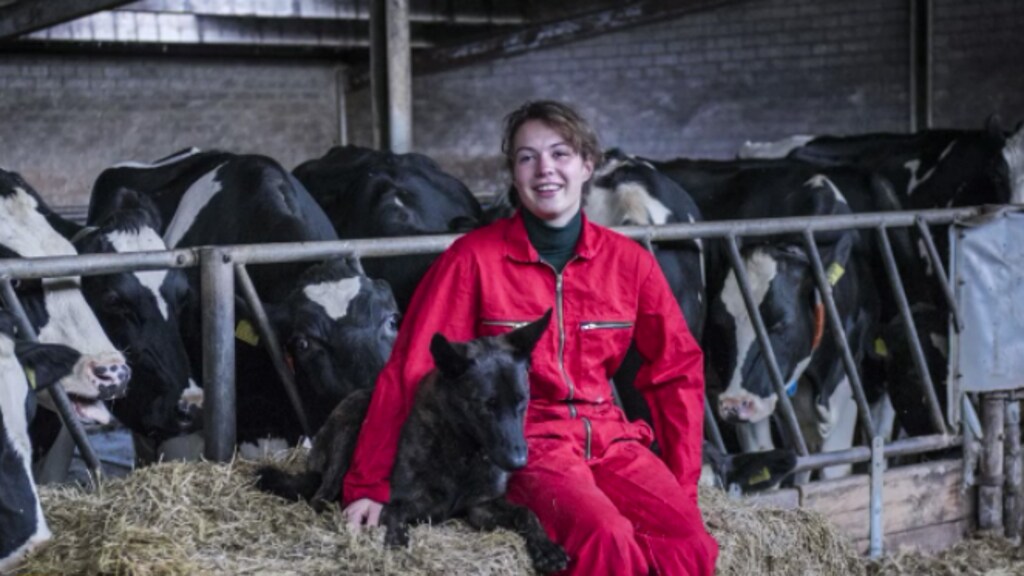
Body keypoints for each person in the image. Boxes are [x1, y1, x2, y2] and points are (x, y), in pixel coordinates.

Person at [341, 100, 718, 575]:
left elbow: (676, 370)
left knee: (688, 542)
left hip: (609, 437)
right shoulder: (472, 260)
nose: (545, 170)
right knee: (607, 538)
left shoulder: (630, 263)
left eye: (560, 154)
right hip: (527, 441)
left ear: (587, 165)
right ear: (513, 174)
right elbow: (411, 368)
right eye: (527, 157)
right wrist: (369, 485)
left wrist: (682, 487)